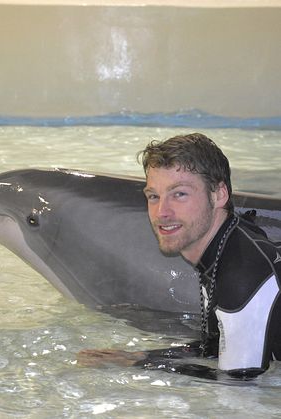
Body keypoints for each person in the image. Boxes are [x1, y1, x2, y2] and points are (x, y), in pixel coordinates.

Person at [78, 133, 281, 379]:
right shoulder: (228, 246)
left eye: (179, 194)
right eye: (154, 196)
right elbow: (217, 347)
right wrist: (145, 357)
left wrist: (144, 368)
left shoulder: (242, 276)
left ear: (219, 195)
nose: (162, 212)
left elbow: (238, 387)